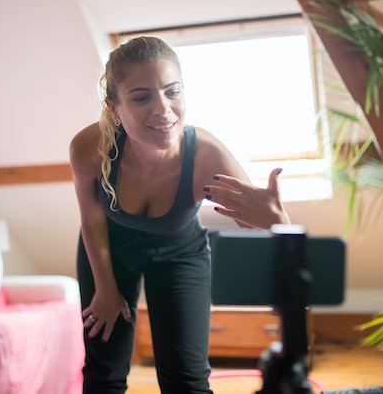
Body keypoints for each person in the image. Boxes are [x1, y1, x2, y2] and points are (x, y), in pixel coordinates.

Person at [69, 35, 290, 394]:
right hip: (108, 252)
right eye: (142, 97)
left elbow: (262, 228)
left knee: (186, 381)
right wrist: (105, 289)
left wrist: (277, 222)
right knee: (103, 374)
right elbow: (92, 219)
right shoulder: (88, 148)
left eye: (172, 92)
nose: (163, 109)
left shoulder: (206, 156)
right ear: (114, 107)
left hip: (179, 255)